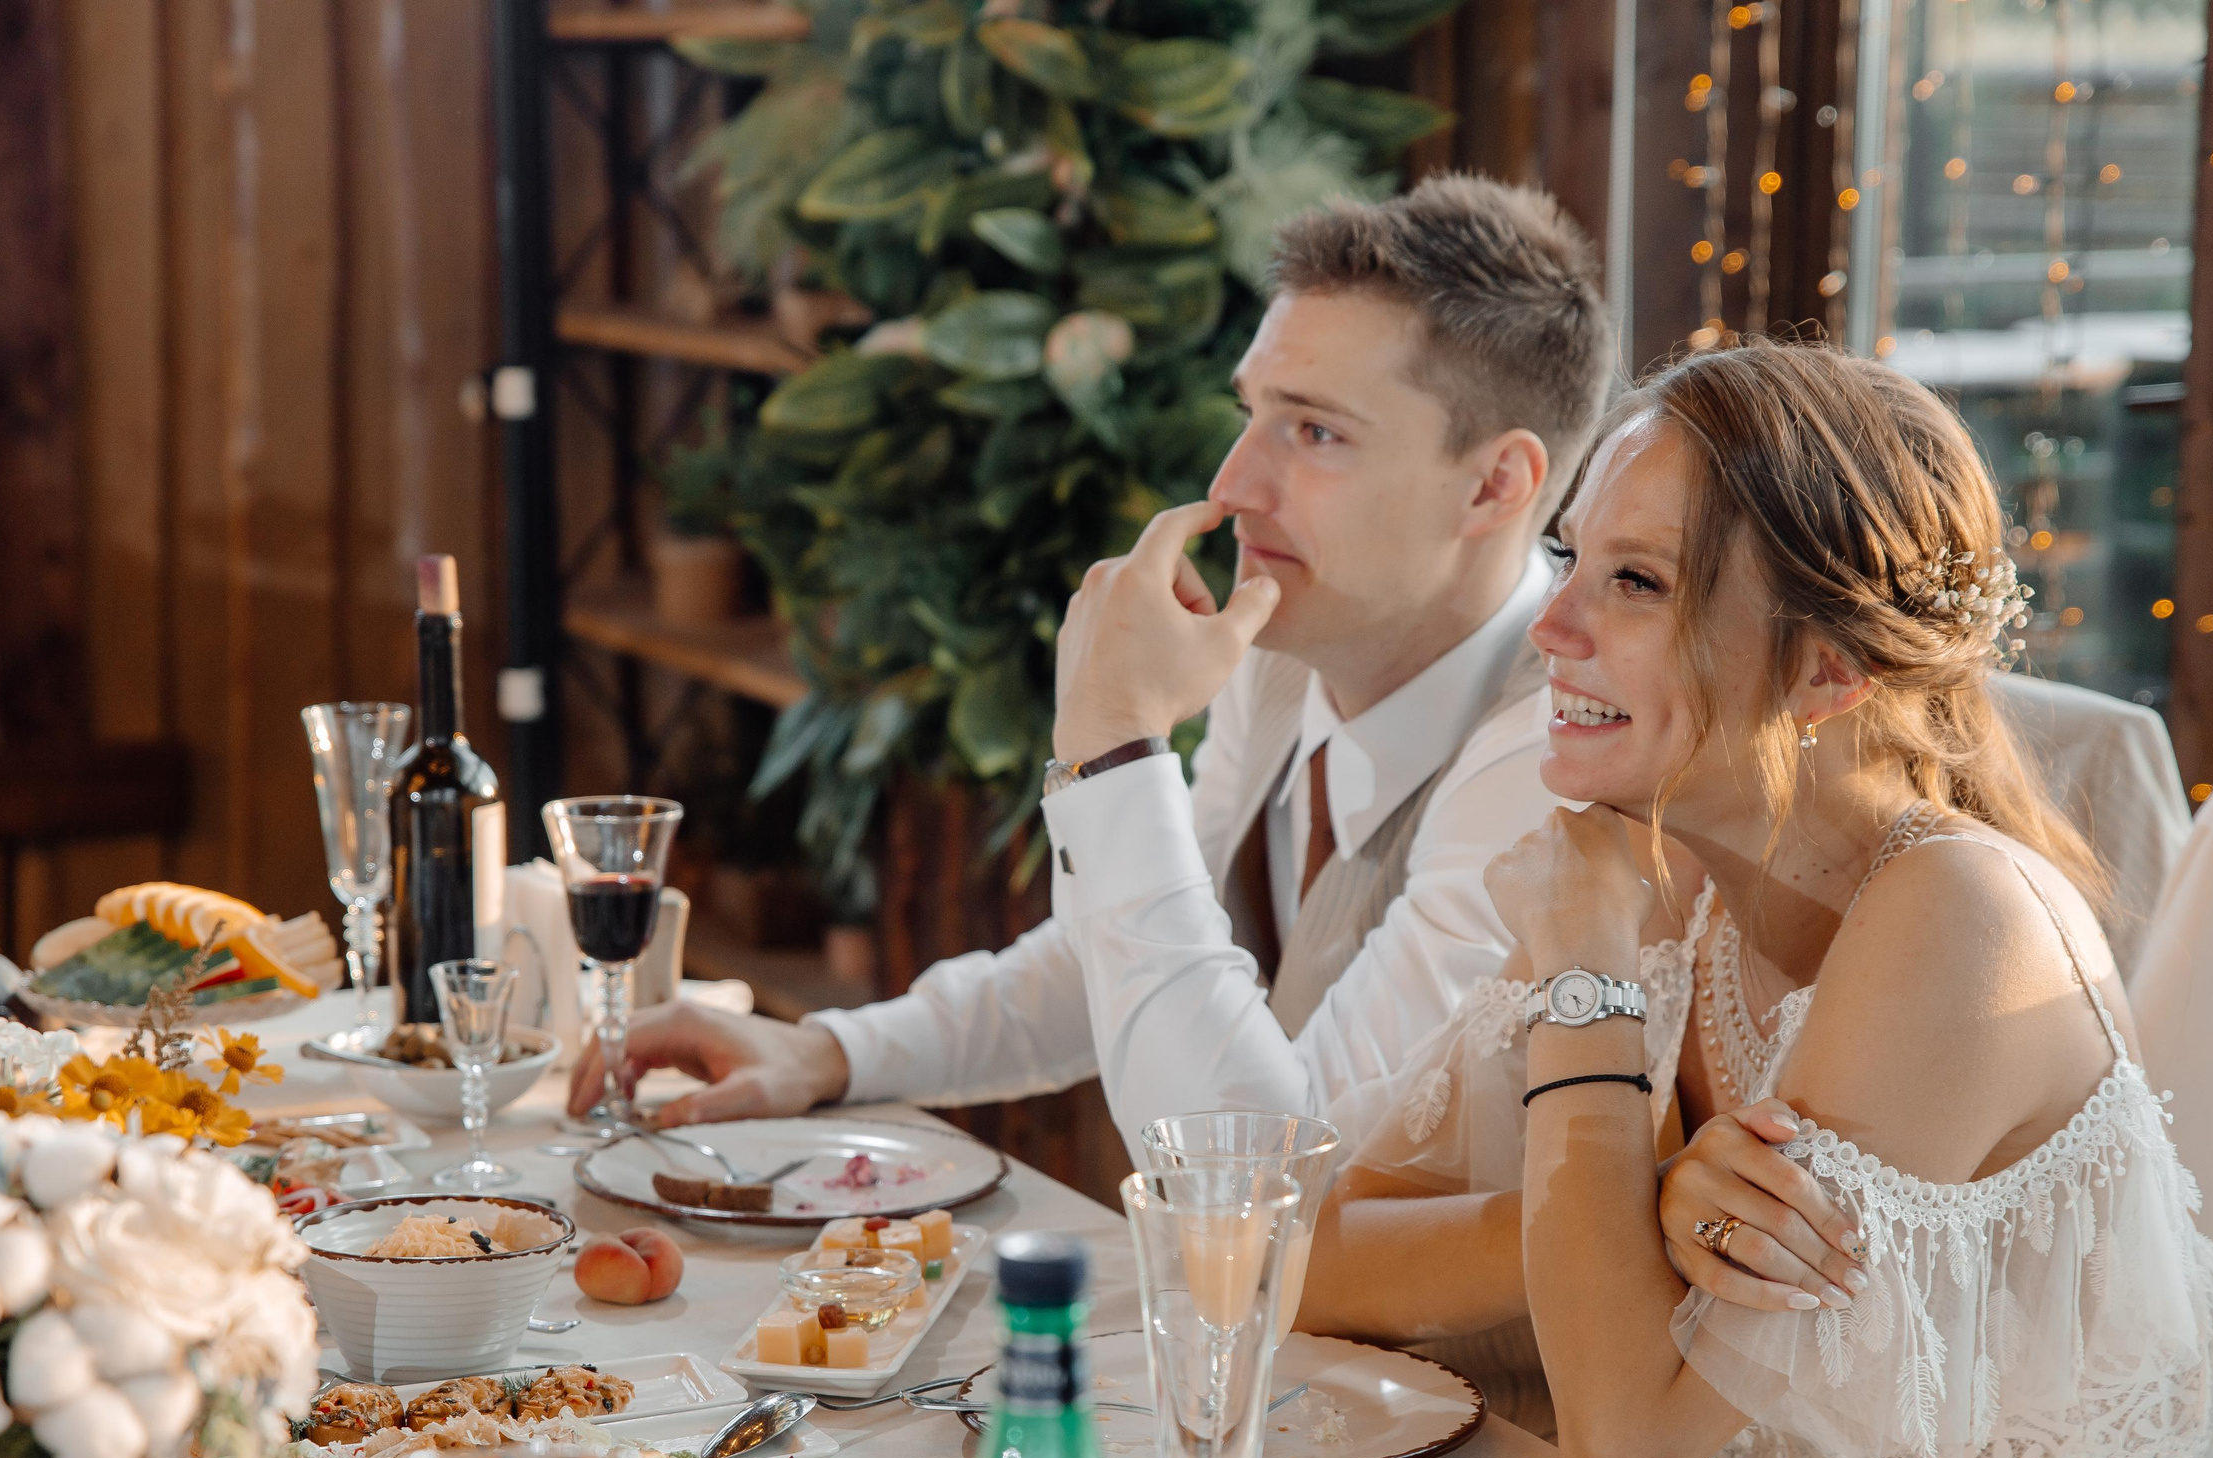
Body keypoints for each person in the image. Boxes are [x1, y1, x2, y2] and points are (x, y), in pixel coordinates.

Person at [1346, 336, 2213, 1458]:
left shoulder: (1960, 919)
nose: (1551, 626)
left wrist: (1582, 989)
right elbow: (1303, 1248)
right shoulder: (1667, 850)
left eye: (1635, 581)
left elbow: (1622, 1432)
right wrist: (1646, 1204)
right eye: (1572, 556)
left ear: (1825, 672)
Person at [569, 175, 1616, 1156]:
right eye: (1250, 414)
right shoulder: (1288, 654)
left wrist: (1115, 756)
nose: (1234, 483)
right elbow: (1126, 952)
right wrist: (831, 1051)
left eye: (1316, 432)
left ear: (1493, 487)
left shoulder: (1549, 753)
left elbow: (1259, 1164)